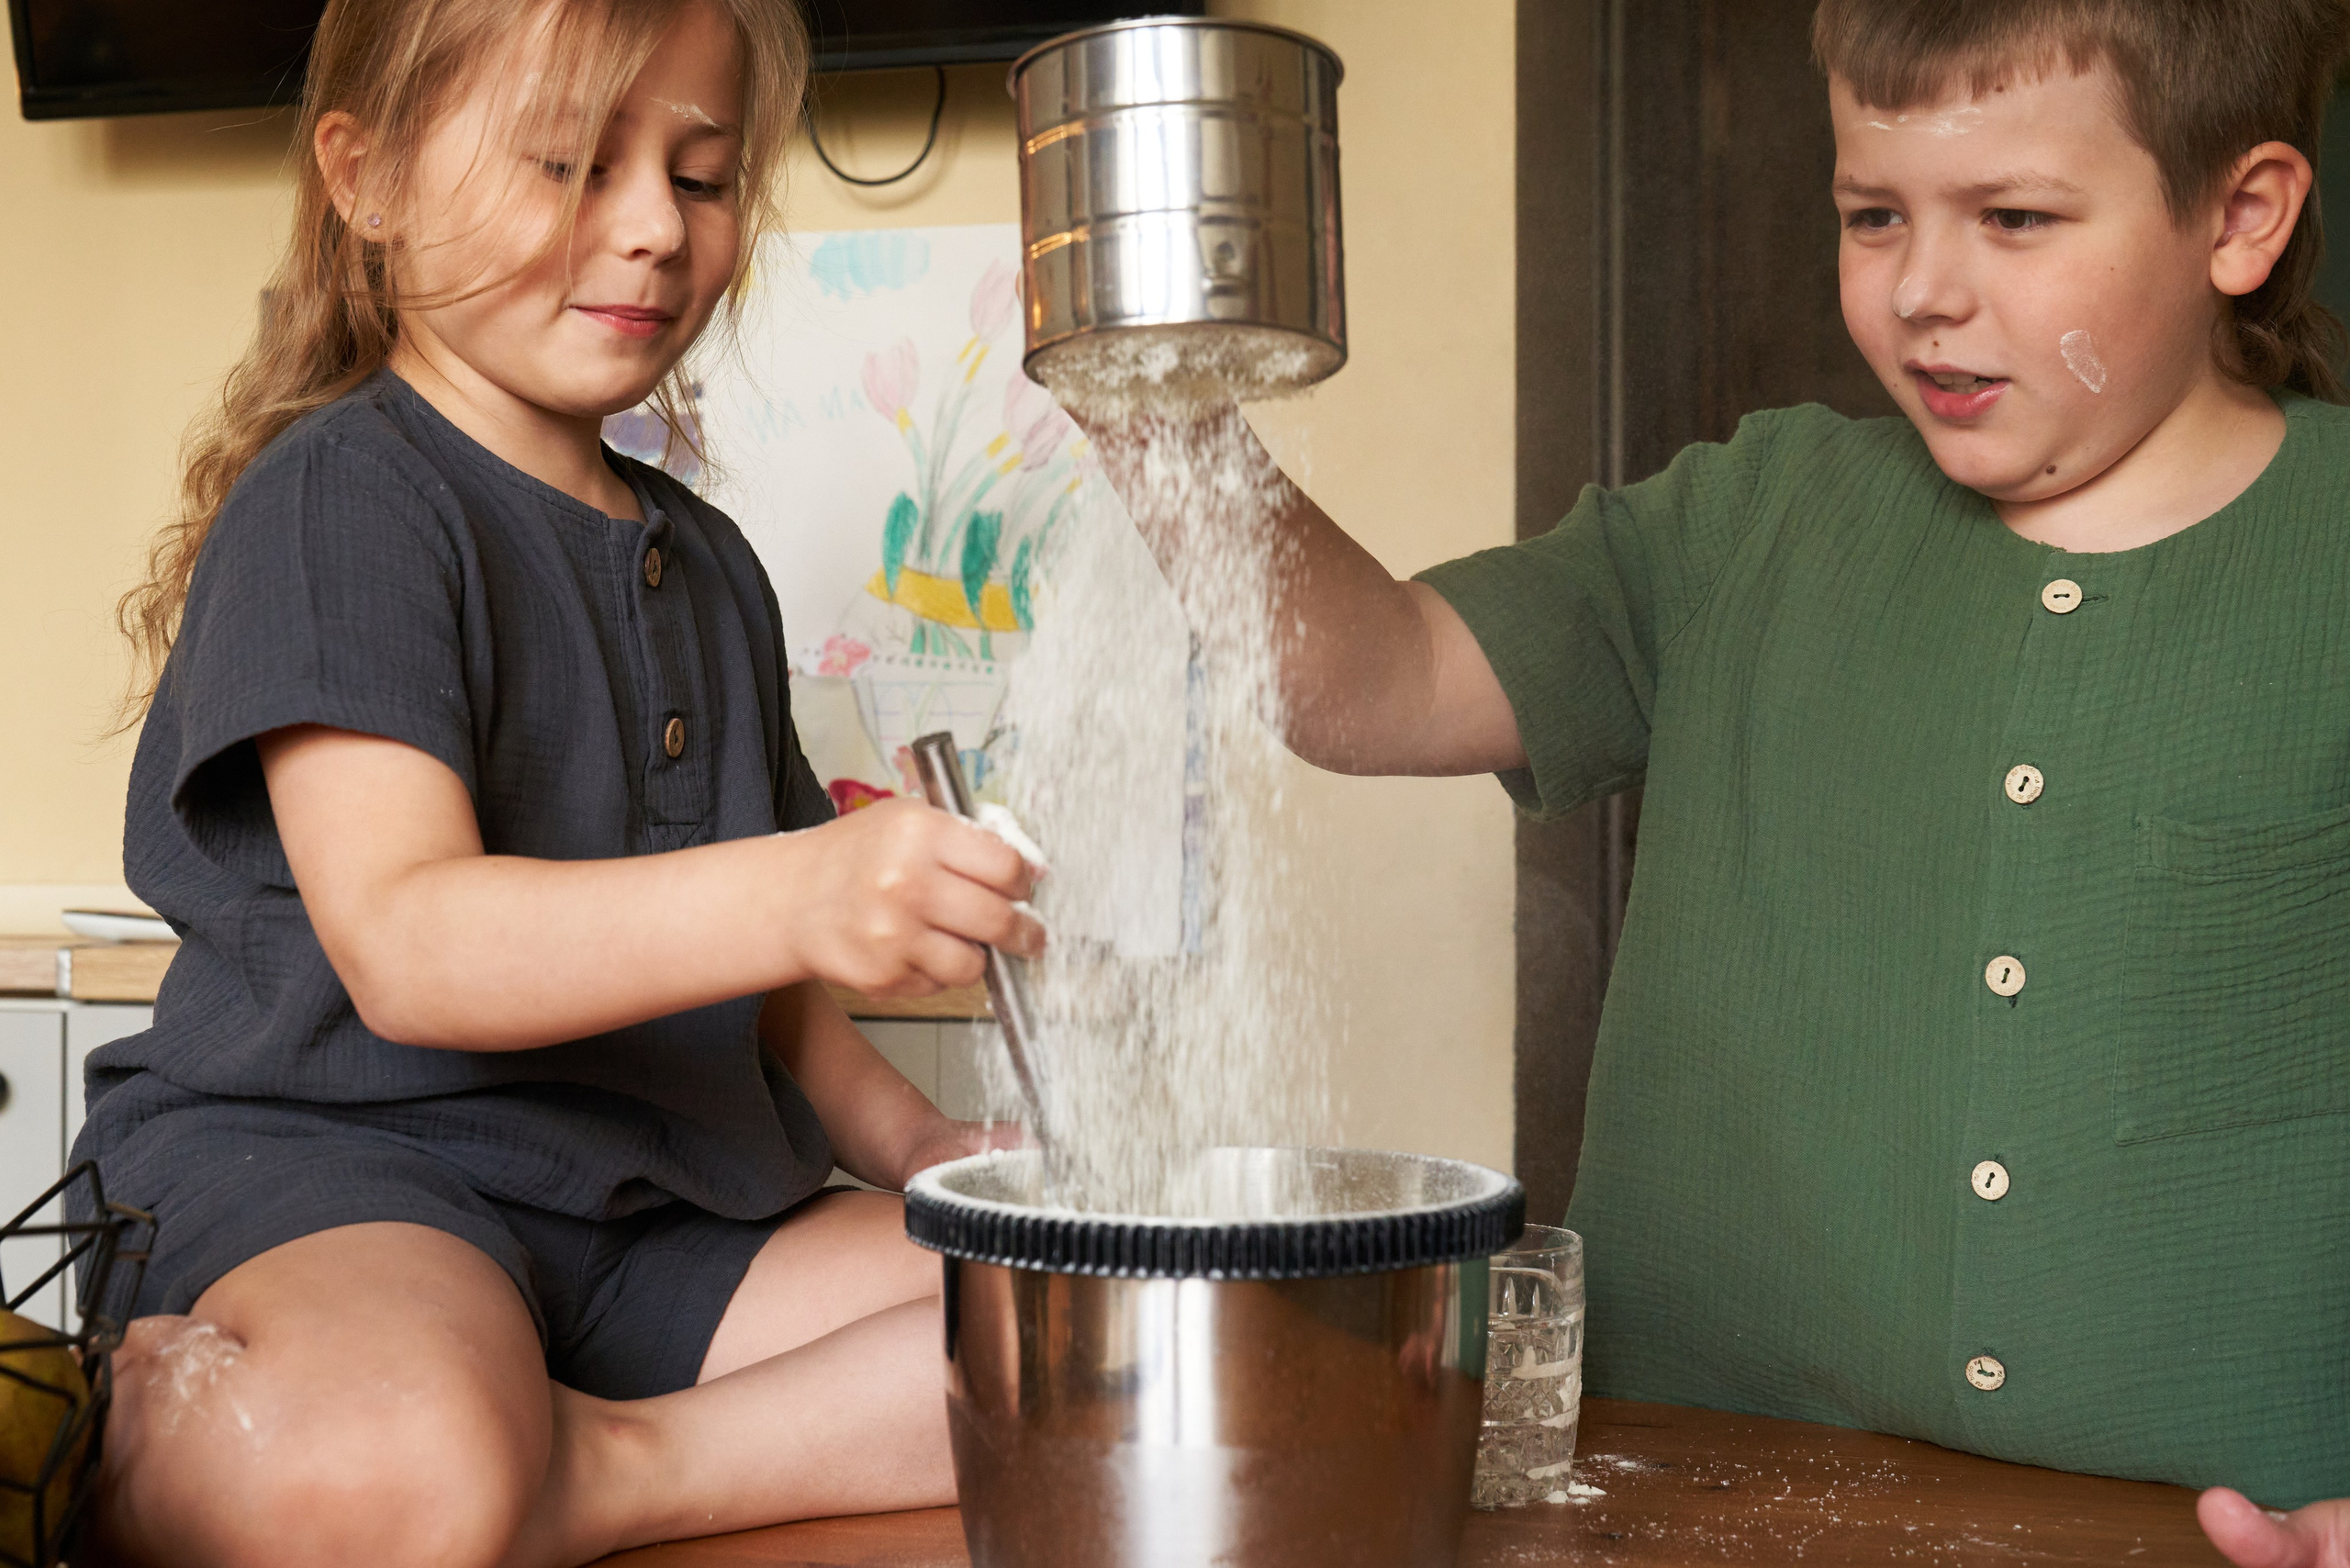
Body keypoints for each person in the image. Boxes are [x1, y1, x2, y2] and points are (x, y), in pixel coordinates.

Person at [1081, 0, 2350, 1560]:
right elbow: (1366, 681)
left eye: (2014, 220)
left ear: (2243, 217)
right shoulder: (1747, 520)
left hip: (2230, 1535)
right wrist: (1152, 408)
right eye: (1872, 214)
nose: (1925, 291)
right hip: (1688, 1503)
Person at [73, 2, 1045, 1564]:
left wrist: (916, 1150)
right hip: (340, 1178)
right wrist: (805, 887)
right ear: (368, 176)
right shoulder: (343, 499)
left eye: (705, 178)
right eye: (574, 164)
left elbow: (773, 994)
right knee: (397, 1453)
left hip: (658, 1217)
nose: (655, 228)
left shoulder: (712, 564)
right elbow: (410, 942)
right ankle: (360, 1431)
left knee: (1091, 1322)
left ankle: (593, 1467)